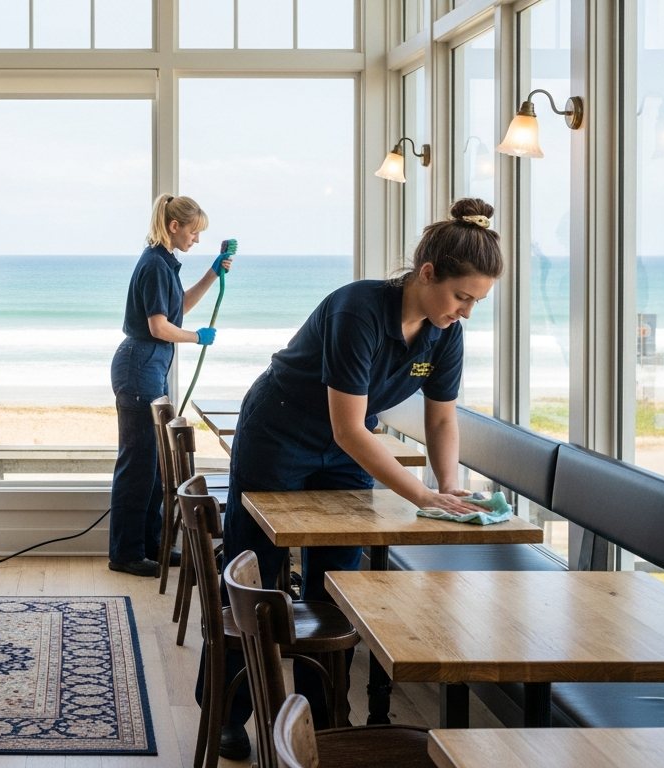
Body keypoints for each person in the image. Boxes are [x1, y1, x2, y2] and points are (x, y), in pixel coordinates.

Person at [202, 198, 504, 760]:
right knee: (257, 572)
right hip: (280, 431)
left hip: (345, 446)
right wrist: (420, 494)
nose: (465, 312)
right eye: (462, 297)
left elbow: (441, 416)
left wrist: (448, 483)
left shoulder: (444, 335)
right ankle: (226, 711)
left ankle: (323, 719)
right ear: (427, 273)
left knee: (340, 580)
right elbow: (348, 428)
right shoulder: (357, 310)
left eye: (476, 303)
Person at [108, 194, 231, 577]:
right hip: (139, 368)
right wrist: (197, 338)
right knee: (138, 463)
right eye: (193, 232)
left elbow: (177, 309)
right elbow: (159, 327)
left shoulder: (163, 264)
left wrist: (213, 273)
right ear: (174, 227)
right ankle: (126, 553)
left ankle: (150, 545)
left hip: (147, 368)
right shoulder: (156, 266)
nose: (196, 240)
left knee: (153, 465)